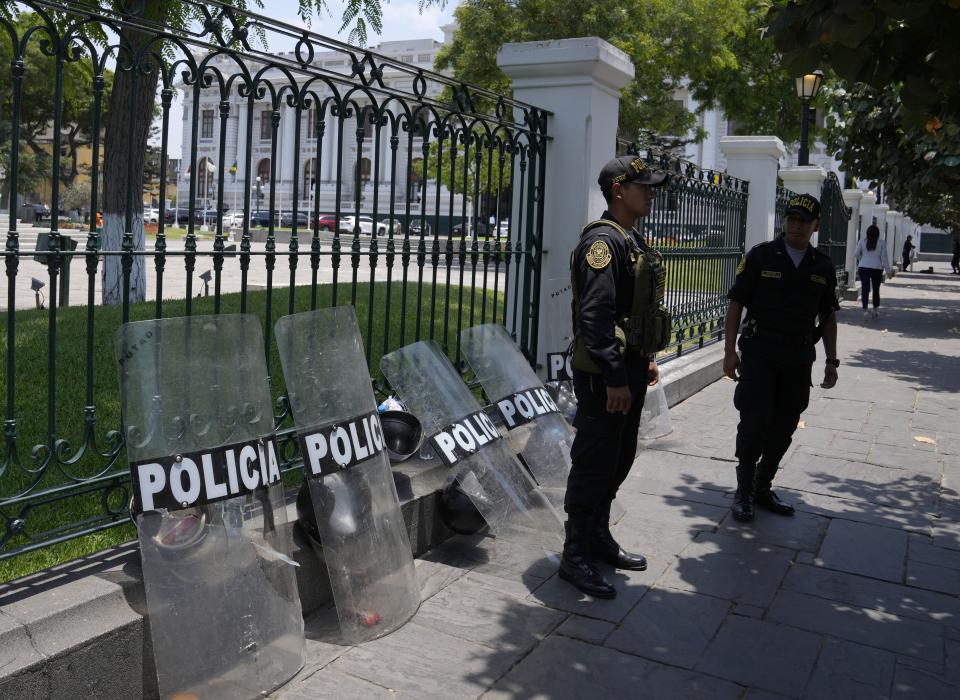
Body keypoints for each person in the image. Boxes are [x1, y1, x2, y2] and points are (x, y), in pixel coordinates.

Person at [563, 155, 670, 599]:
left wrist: (641, 358)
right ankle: (575, 555)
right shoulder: (603, 244)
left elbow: (633, 310)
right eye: (643, 186)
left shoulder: (632, 239)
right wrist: (614, 377)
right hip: (605, 376)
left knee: (620, 456)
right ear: (618, 192)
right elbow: (597, 315)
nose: (651, 192)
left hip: (627, 367)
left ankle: (598, 537)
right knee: (594, 463)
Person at [723, 193, 839, 523]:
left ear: (816, 225)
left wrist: (832, 360)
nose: (796, 225)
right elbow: (736, 305)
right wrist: (730, 352)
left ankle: (763, 485)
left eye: (804, 220)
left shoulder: (823, 266)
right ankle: (743, 491)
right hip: (760, 353)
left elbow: (828, 315)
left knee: (785, 424)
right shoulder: (761, 256)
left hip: (799, 357)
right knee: (753, 423)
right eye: (791, 218)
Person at [853, 225, 892, 320]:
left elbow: (856, 254)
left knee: (865, 289)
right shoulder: (882, 243)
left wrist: (862, 259)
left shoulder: (862, 241)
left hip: (863, 267)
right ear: (878, 234)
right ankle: (875, 309)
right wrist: (888, 271)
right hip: (877, 268)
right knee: (875, 289)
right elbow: (884, 258)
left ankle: (865, 310)